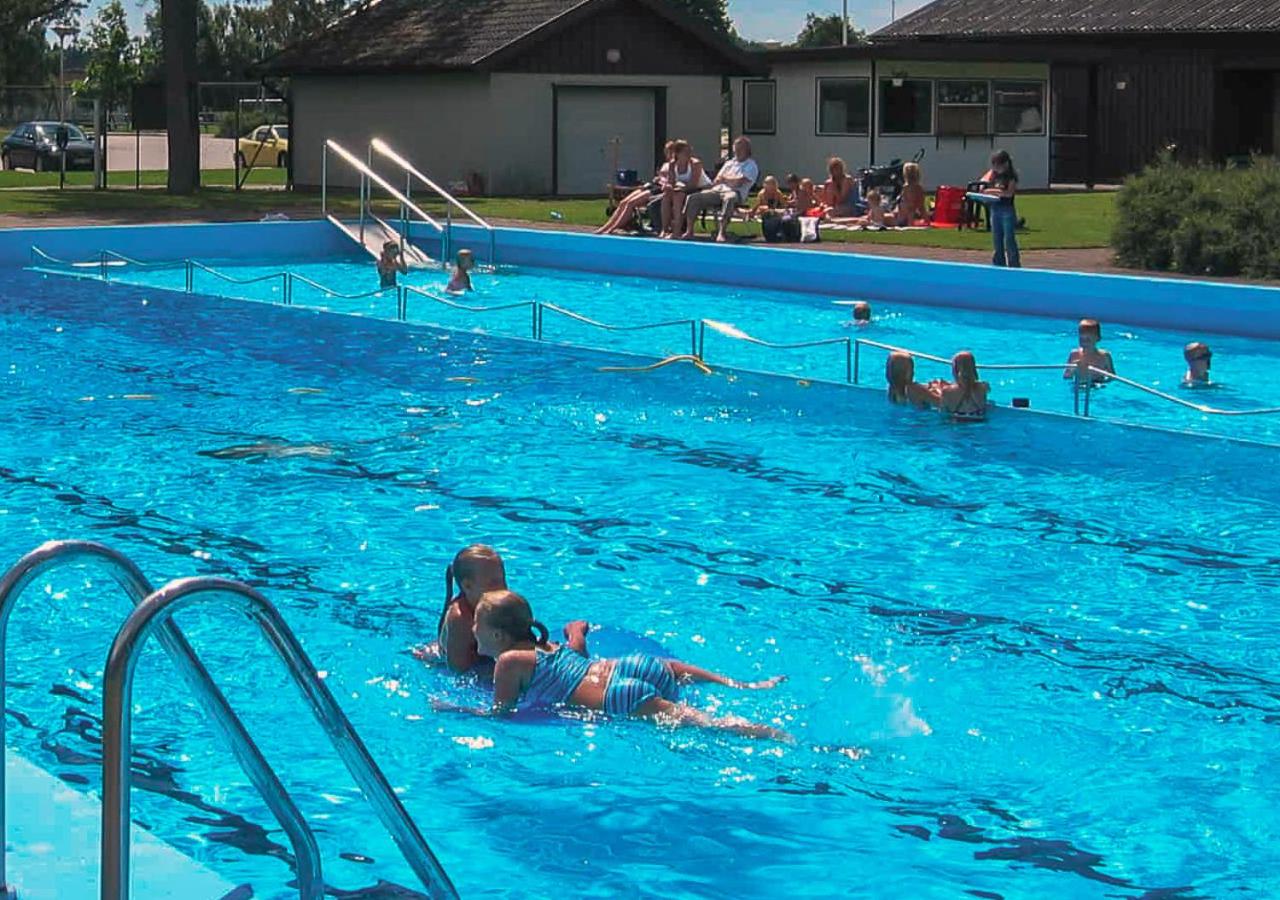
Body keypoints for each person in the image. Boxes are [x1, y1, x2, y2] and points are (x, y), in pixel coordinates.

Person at [434, 590, 788, 740]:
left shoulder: (508, 662)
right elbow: (576, 657)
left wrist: (457, 710)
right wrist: (578, 632)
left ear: (495, 635)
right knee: (674, 667)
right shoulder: (547, 644)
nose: (472, 631)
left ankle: (764, 733)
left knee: (705, 725)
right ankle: (742, 686)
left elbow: (502, 713)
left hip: (616, 697)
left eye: (476, 625)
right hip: (629, 668)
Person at [681, 136, 759, 243]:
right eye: (736, 149)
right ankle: (689, 231)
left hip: (735, 193)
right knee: (693, 198)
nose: (737, 151)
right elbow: (717, 180)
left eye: (740, 149)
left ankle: (721, 232)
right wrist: (727, 180)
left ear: (747, 150)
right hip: (717, 190)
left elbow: (738, 182)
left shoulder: (751, 165)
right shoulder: (729, 163)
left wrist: (725, 179)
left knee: (729, 198)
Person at [596, 140, 676, 236]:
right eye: (667, 151)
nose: (668, 154)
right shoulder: (666, 164)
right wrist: (657, 178)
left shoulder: (675, 164)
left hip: (659, 188)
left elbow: (672, 180)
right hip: (652, 185)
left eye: (670, 151)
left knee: (630, 203)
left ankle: (612, 228)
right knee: (623, 202)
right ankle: (606, 227)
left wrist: (662, 179)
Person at [661, 140, 711, 238]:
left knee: (678, 197)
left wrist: (678, 188)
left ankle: (677, 230)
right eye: (686, 152)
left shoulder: (695, 163)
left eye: (690, 151)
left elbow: (693, 183)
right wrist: (669, 186)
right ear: (678, 154)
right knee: (666, 196)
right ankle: (665, 229)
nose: (689, 154)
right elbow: (671, 182)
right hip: (682, 189)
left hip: (700, 188)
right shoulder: (672, 164)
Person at [981, 150, 1020, 267]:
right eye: (994, 165)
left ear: (1006, 164)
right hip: (995, 209)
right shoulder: (993, 174)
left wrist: (991, 191)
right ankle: (998, 263)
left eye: (998, 165)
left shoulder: (1010, 177)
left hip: (1006, 210)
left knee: (1009, 239)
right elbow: (983, 183)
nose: (996, 168)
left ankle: (1014, 264)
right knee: (996, 238)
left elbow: (1008, 193)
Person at [935, 351, 990, 420]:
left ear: (955, 370)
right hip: (978, 421)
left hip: (957, 423)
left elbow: (941, 411)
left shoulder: (947, 391)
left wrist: (938, 389)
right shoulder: (984, 387)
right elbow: (968, 386)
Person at [1063, 318, 1115, 383]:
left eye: (1088, 339)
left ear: (1098, 338)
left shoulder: (1105, 356)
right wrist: (1072, 369)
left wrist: (1102, 381)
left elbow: (1113, 377)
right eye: (1081, 339)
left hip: (1097, 385)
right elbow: (1066, 376)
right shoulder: (1074, 354)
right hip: (1078, 385)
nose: (1084, 343)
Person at [895, 162, 928, 226]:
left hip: (908, 207)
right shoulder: (918, 187)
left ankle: (909, 223)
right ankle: (926, 221)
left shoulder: (906, 187)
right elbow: (921, 198)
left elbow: (905, 198)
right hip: (916, 205)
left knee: (909, 210)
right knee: (920, 210)